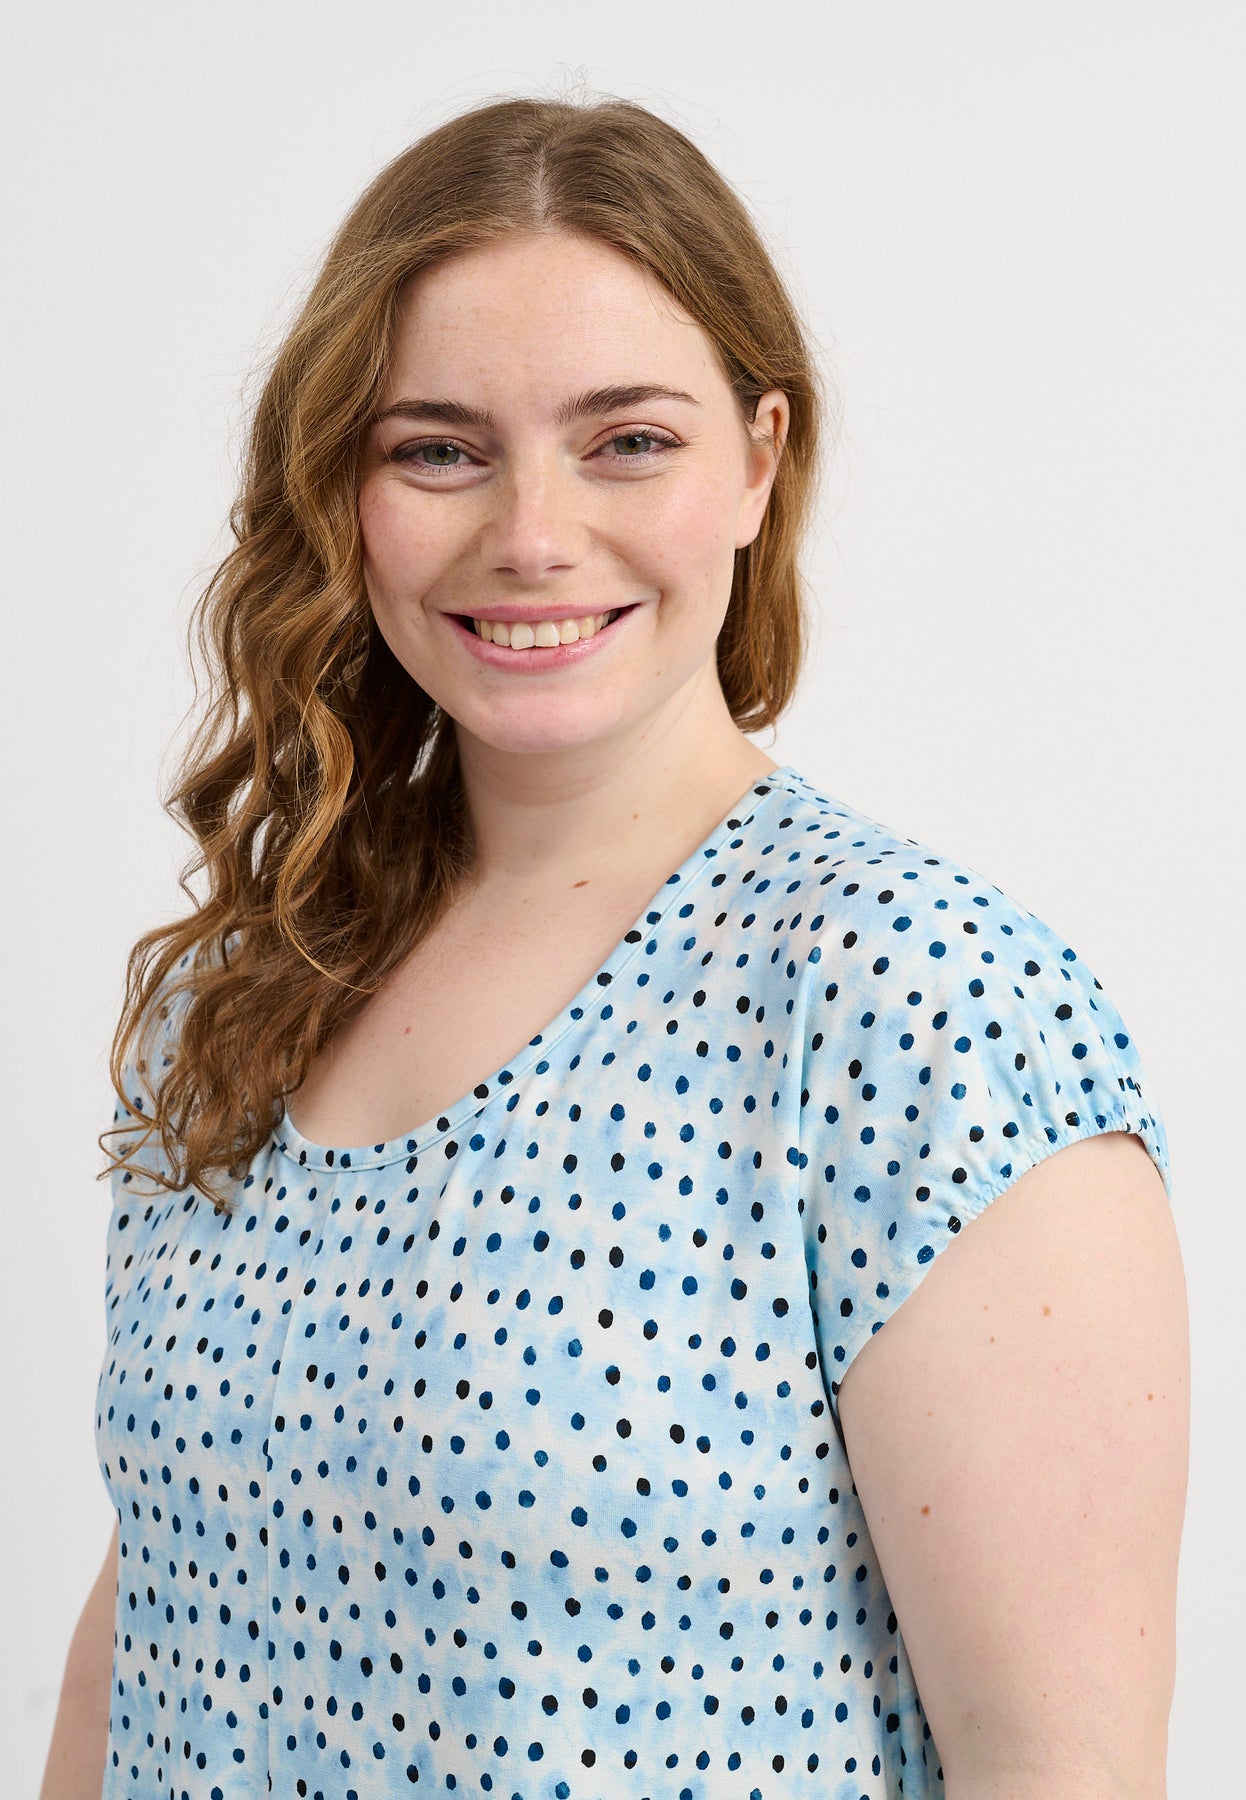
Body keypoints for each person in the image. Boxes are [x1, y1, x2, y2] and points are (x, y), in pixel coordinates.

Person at [42, 94, 1189, 1800]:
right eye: (437, 449)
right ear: (342, 488)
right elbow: (155, 1619)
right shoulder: (252, 976)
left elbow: (1057, 1765)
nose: (530, 533)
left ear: (758, 461)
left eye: (627, 440)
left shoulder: (915, 1005)